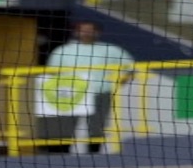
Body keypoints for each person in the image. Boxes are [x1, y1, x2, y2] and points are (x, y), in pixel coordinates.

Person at [41, 20, 134, 153]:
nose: (86, 33)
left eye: (90, 30)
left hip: (100, 93)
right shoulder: (63, 50)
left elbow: (130, 68)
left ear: (98, 32)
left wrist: (122, 81)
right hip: (70, 95)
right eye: (83, 30)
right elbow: (51, 72)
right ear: (76, 32)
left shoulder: (111, 49)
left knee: (97, 126)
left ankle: (93, 153)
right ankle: (61, 153)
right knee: (65, 125)